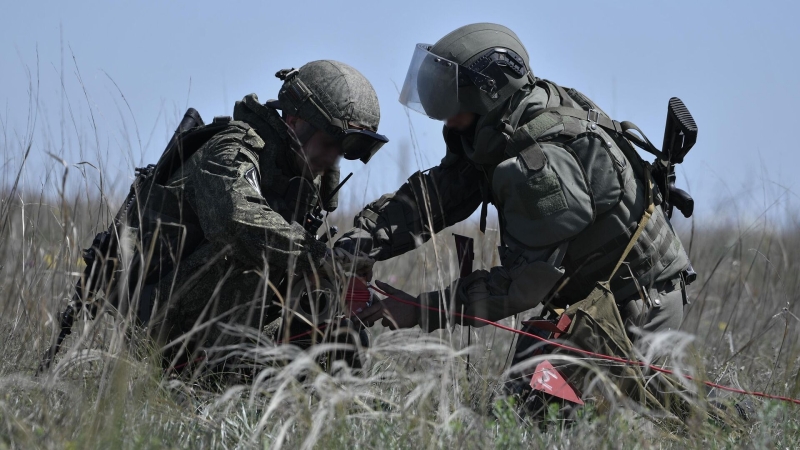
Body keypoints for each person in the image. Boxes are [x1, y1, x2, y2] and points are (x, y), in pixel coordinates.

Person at [339, 23, 693, 408]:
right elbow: (442, 192)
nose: (444, 118)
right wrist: (359, 244)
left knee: (530, 414)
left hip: (633, 308)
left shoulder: (537, 167)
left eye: (450, 101)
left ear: (487, 93)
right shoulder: (507, 122)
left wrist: (420, 309)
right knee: (521, 398)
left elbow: (521, 286)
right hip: (591, 299)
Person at [121, 60, 385, 372]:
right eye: (328, 144)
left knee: (345, 341)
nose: (331, 159)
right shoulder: (231, 148)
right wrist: (319, 257)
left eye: (341, 151)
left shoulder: (298, 175)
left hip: (241, 333)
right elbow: (236, 218)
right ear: (295, 119)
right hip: (168, 332)